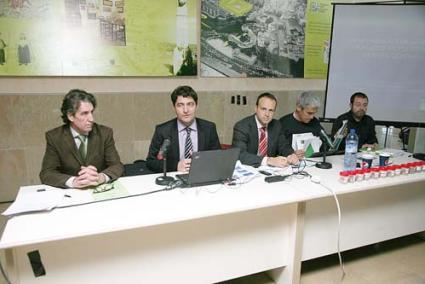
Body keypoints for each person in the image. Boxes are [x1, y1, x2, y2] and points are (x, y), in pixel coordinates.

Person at [39, 89, 123, 188]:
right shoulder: (55, 137)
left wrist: (101, 177)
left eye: (91, 112)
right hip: (72, 194)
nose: (91, 119)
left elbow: (117, 166)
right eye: (84, 113)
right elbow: (47, 173)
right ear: (71, 116)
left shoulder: (104, 133)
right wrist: (74, 181)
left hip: (99, 189)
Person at [146, 85, 221, 173]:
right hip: (174, 178)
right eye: (180, 105)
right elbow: (151, 162)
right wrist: (176, 166)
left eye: (190, 104)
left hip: (201, 176)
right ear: (174, 107)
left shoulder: (209, 128)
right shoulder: (163, 130)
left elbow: (217, 158)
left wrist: (200, 163)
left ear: (196, 106)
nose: (185, 110)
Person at [232, 92, 298, 168]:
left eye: (271, 110)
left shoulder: (276, 125)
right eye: (263, 109)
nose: (267, 114)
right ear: (256, 108)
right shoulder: (242, 127)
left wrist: (290, 155)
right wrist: (268, 160)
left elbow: (284, 146)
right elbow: (240, 155)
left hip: (271, 172)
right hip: (249, 169)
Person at [279, 91, 323, 158]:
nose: (312, 117)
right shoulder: (283, 123)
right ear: (299, 107)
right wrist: (291, 154)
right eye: (309, 113)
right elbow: (278, 148)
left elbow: (324, 142)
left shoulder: (315, 122)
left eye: (314, 113)